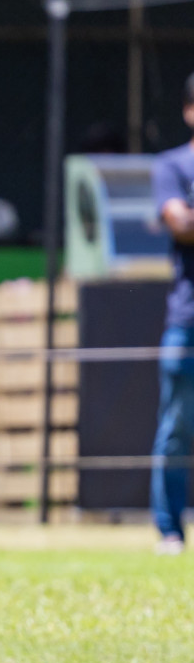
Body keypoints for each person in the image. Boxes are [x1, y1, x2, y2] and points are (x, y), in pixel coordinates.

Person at [148, 71, 194, 556]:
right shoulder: (171, 166)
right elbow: (180, 224)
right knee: (177, 427)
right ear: (188, 111)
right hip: (188, 318)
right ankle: (169, 530)